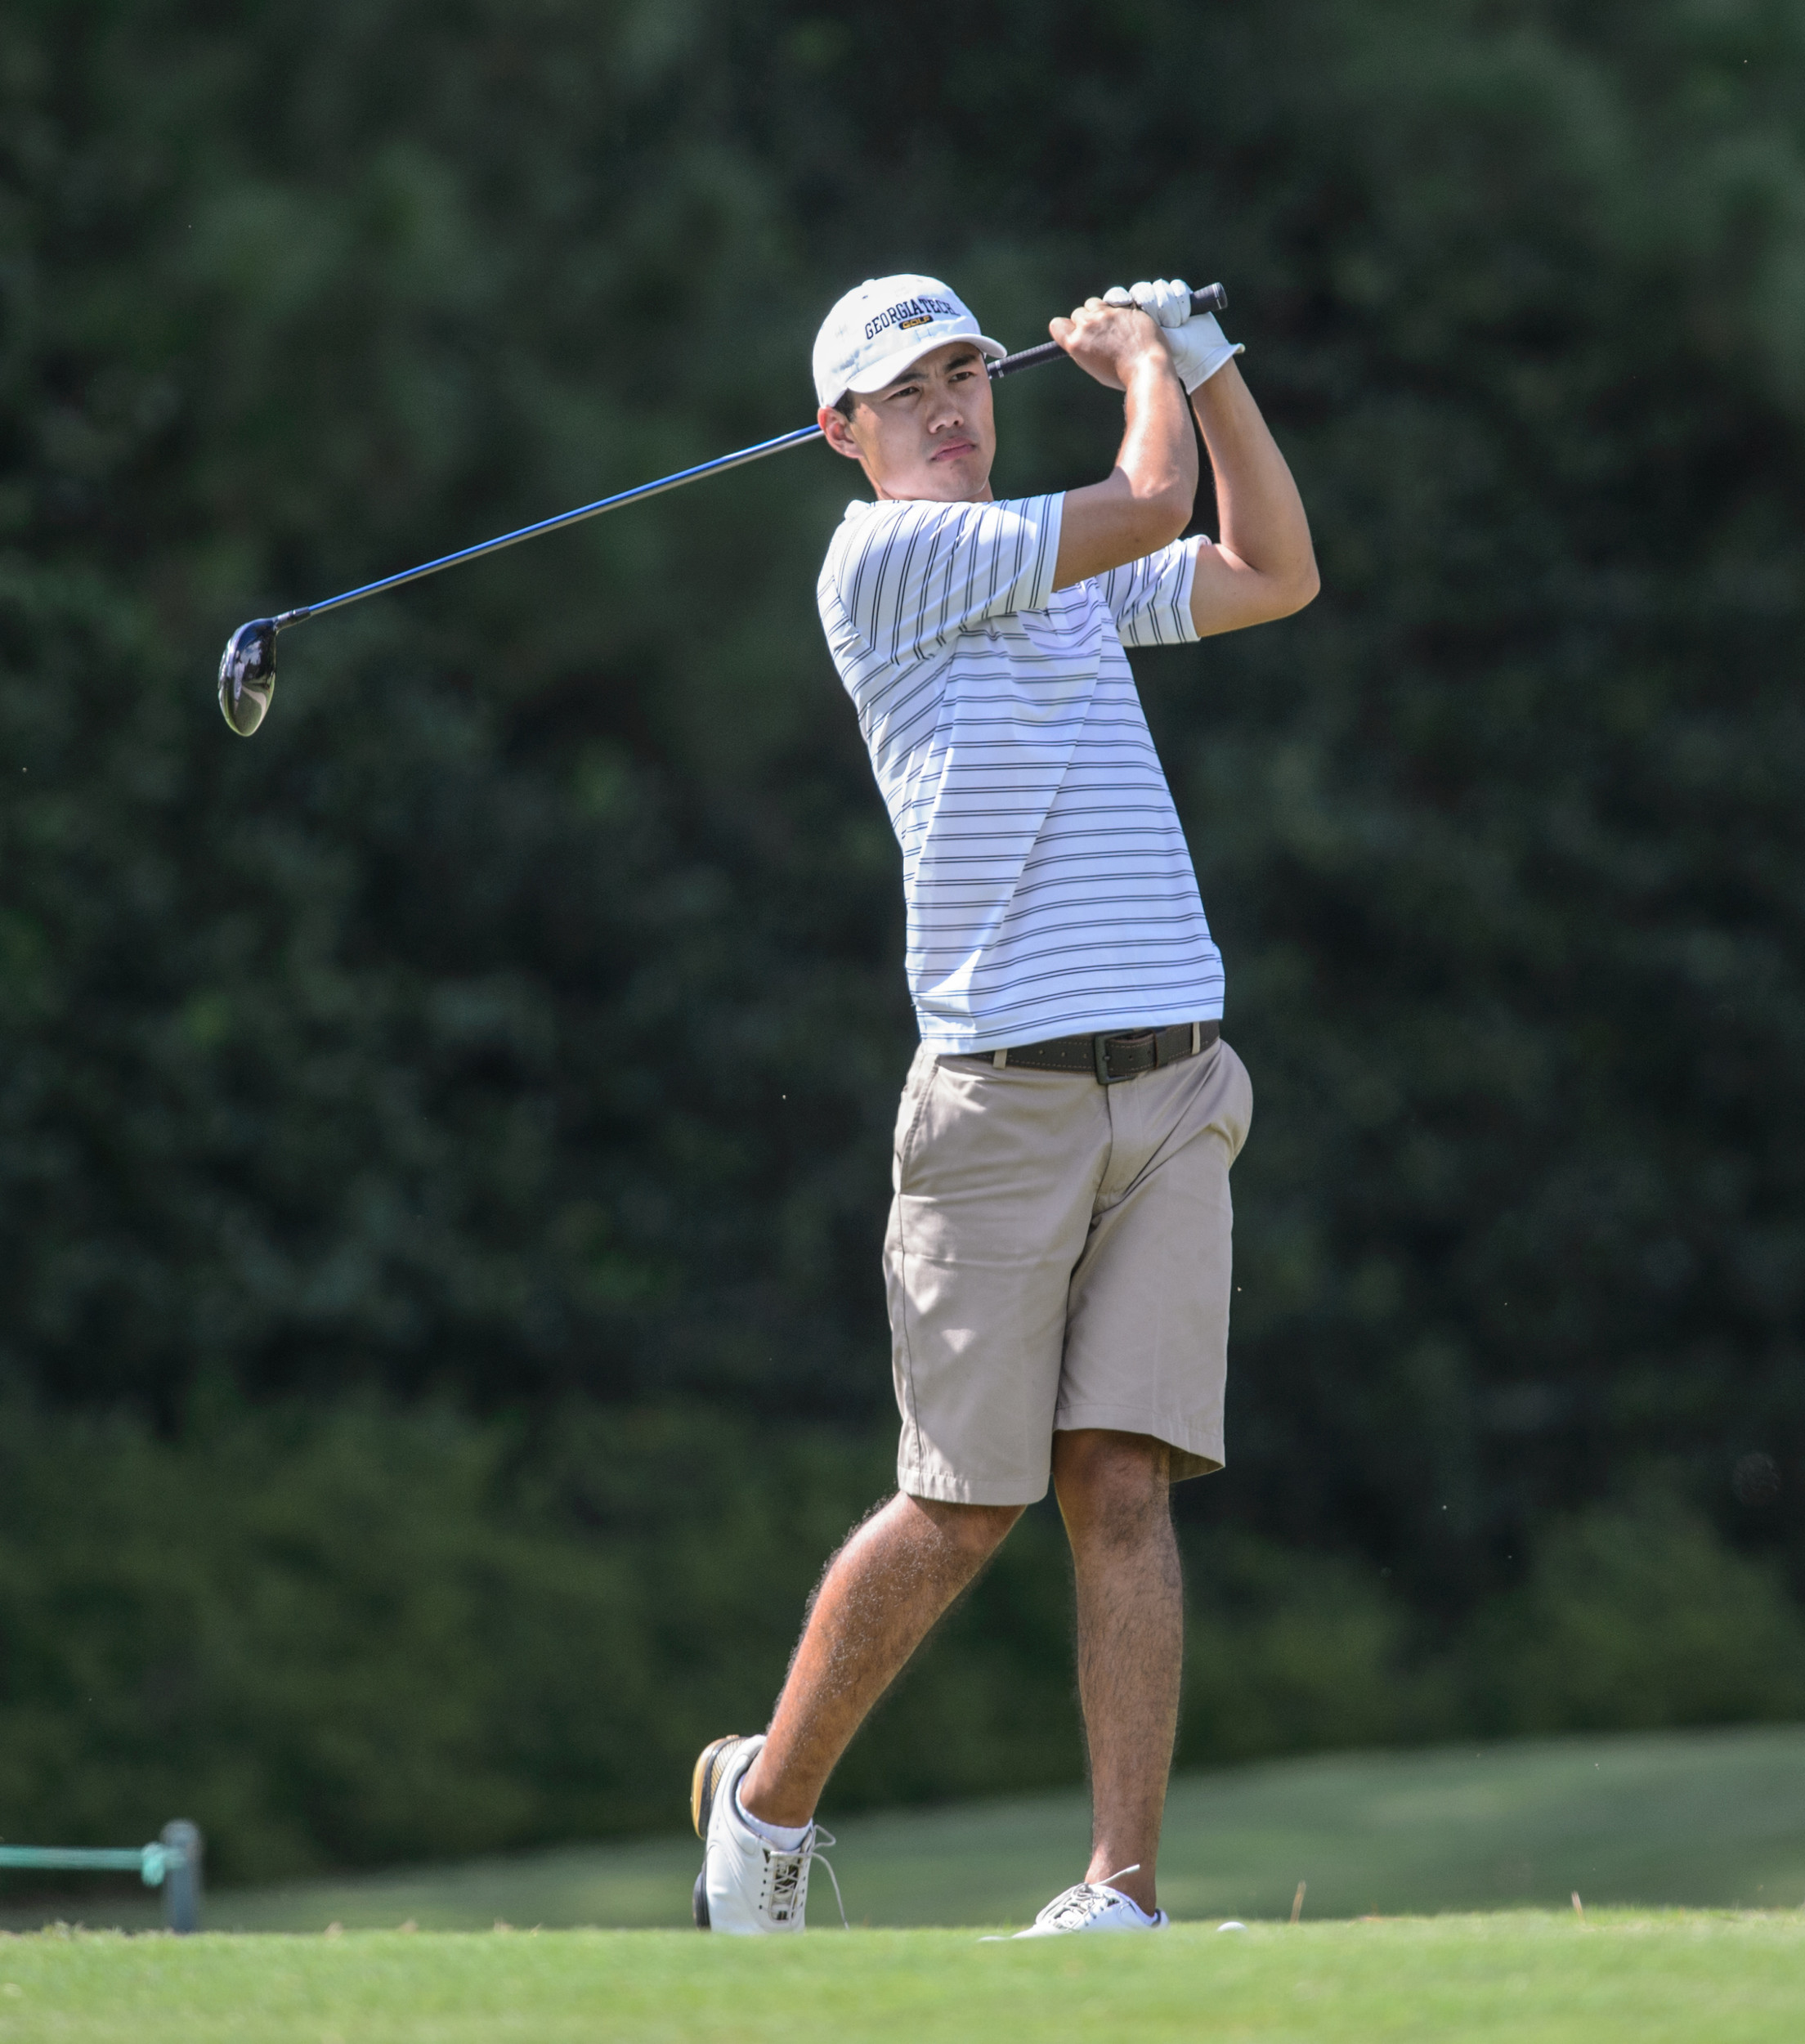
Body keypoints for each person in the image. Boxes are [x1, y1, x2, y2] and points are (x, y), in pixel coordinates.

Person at [691, 271, 1318, 1938]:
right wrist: (1143, 367)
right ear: (843, 434)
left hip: (1175, 1081)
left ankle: (1121, 1895)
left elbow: (1272, 568)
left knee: (1122, 1477)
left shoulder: (1067, 578)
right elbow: (1154, 495)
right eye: (910, 391)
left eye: (969, 371)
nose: (952, 404)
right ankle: (764, 1806)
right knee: (965, 1502)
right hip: (998, 1106)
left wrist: (1208, 360)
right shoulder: (882, 561)